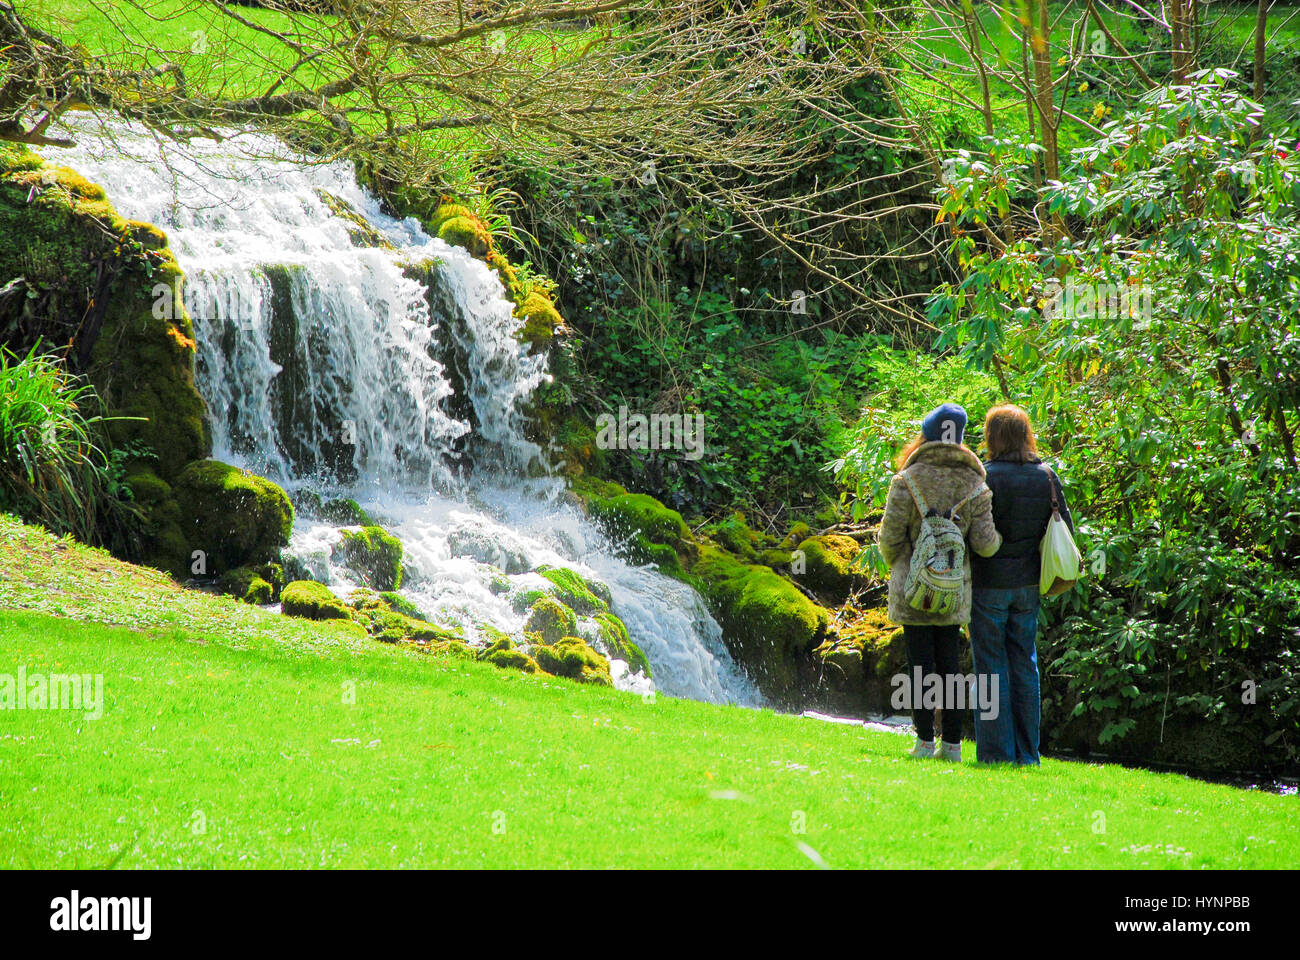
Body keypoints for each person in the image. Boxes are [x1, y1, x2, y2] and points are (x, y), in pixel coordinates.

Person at [879, 403, 1001, 762]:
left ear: (926, 435)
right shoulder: (976, 484)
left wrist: (905, 566)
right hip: (952, 591)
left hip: (913, 591)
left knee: (920, 665)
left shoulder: (908, 479)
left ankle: (924, 742)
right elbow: (985, 543)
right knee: (950, 665)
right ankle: (952, 746)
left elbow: (888, 539)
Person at [969, 404, 1073, 766]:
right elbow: (1065, 532)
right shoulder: (1046, 475)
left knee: (990, 667)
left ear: (992, 437)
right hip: (1029, 585)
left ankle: (997, 754)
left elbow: (974, 532)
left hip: (988, 585)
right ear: (1026, 434)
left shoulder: (986, 476)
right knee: (1025, 665)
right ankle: (1028, 754)